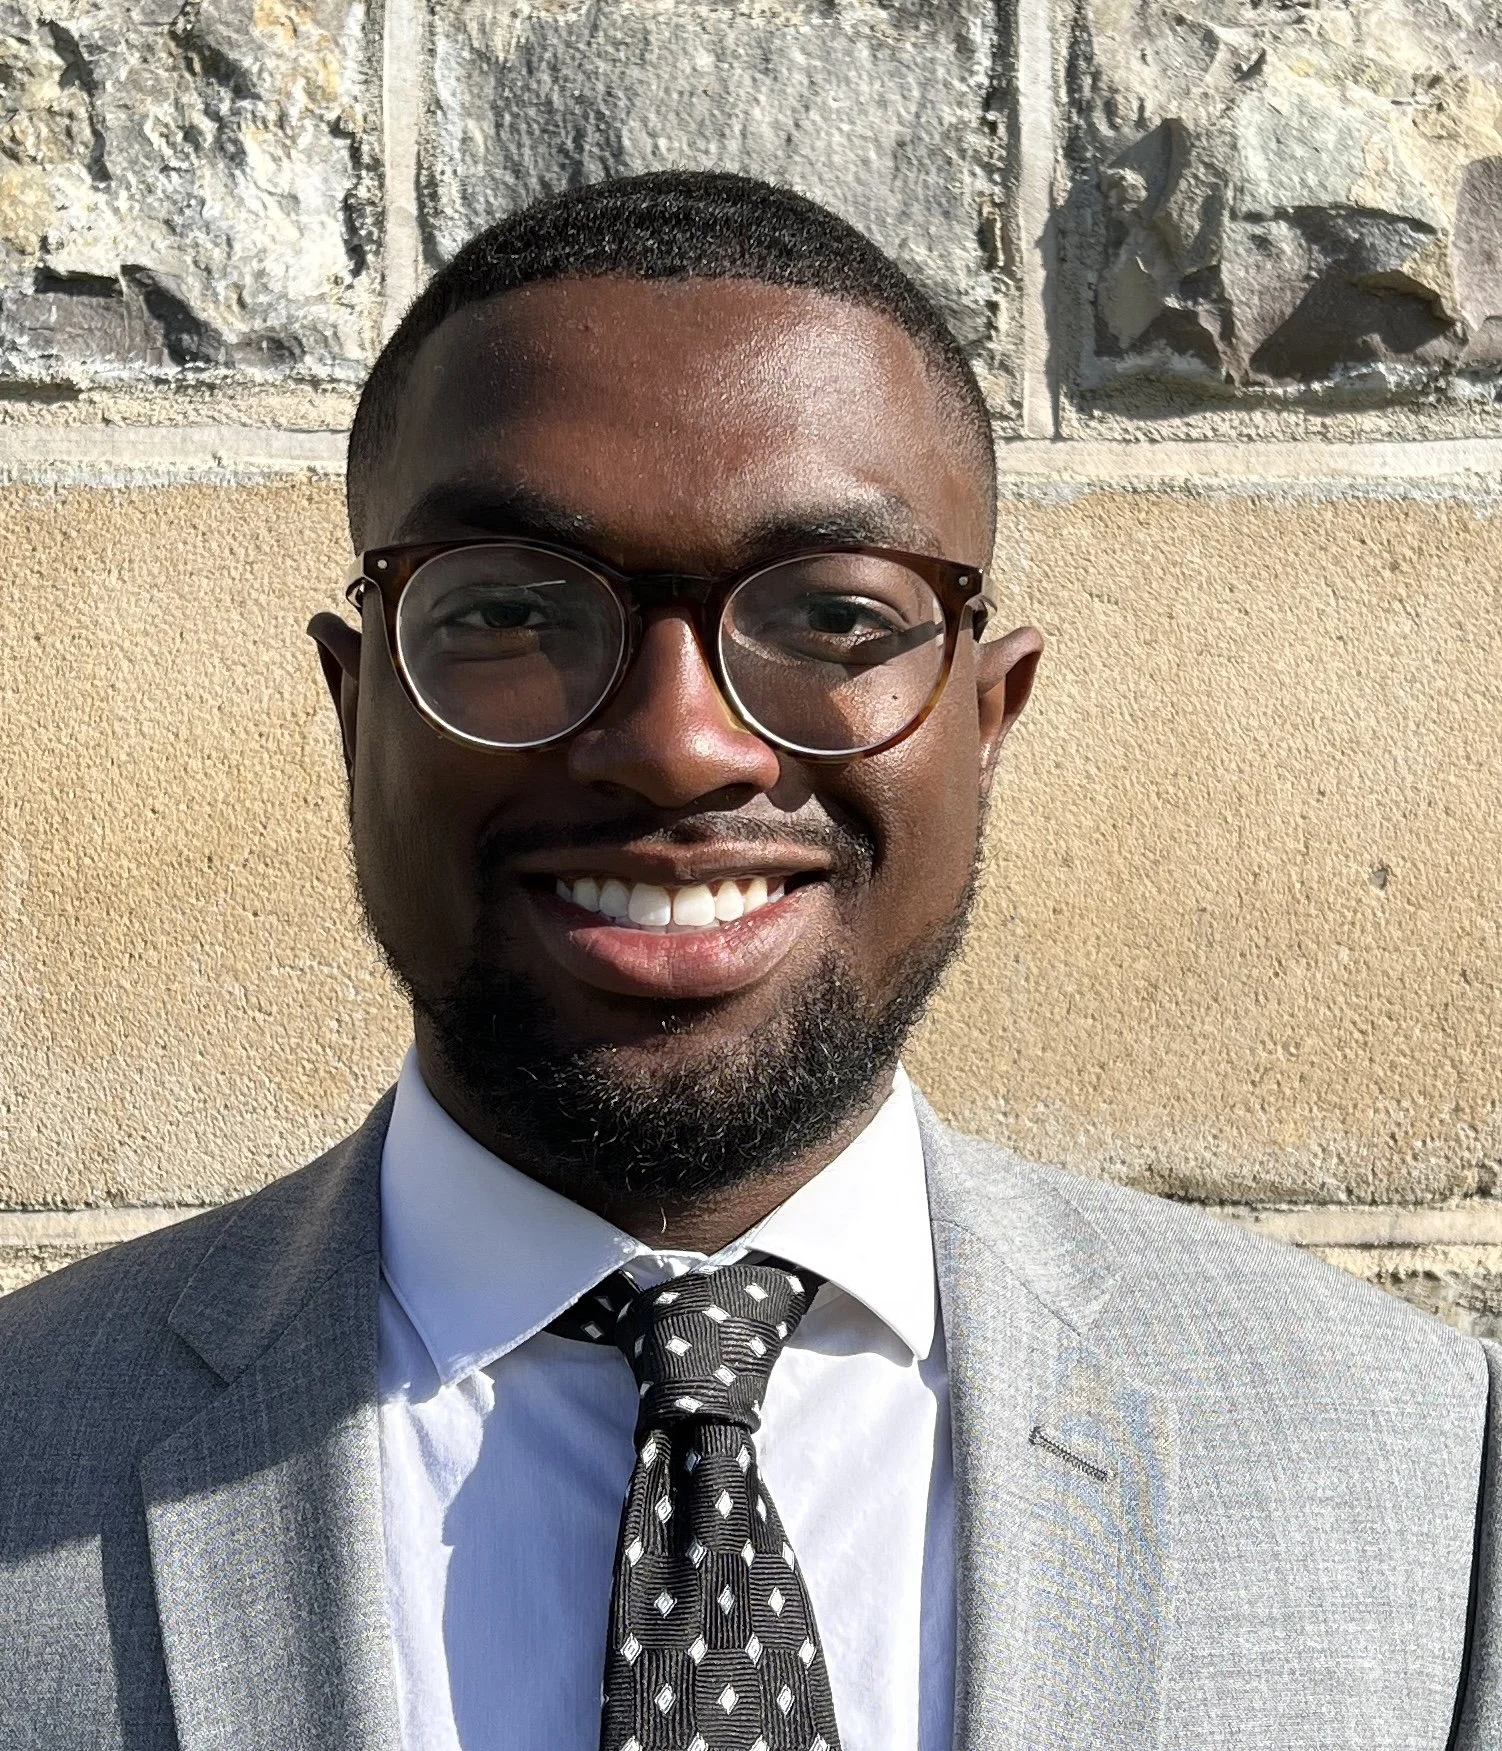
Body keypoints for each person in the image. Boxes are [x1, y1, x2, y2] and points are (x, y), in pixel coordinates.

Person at [0, 172, 1496, 1751]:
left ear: (987, 721)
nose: (676, 744)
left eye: (834, 618)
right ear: (352, 703)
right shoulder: (34, 1441)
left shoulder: (1421, 1475)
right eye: (511, 607)